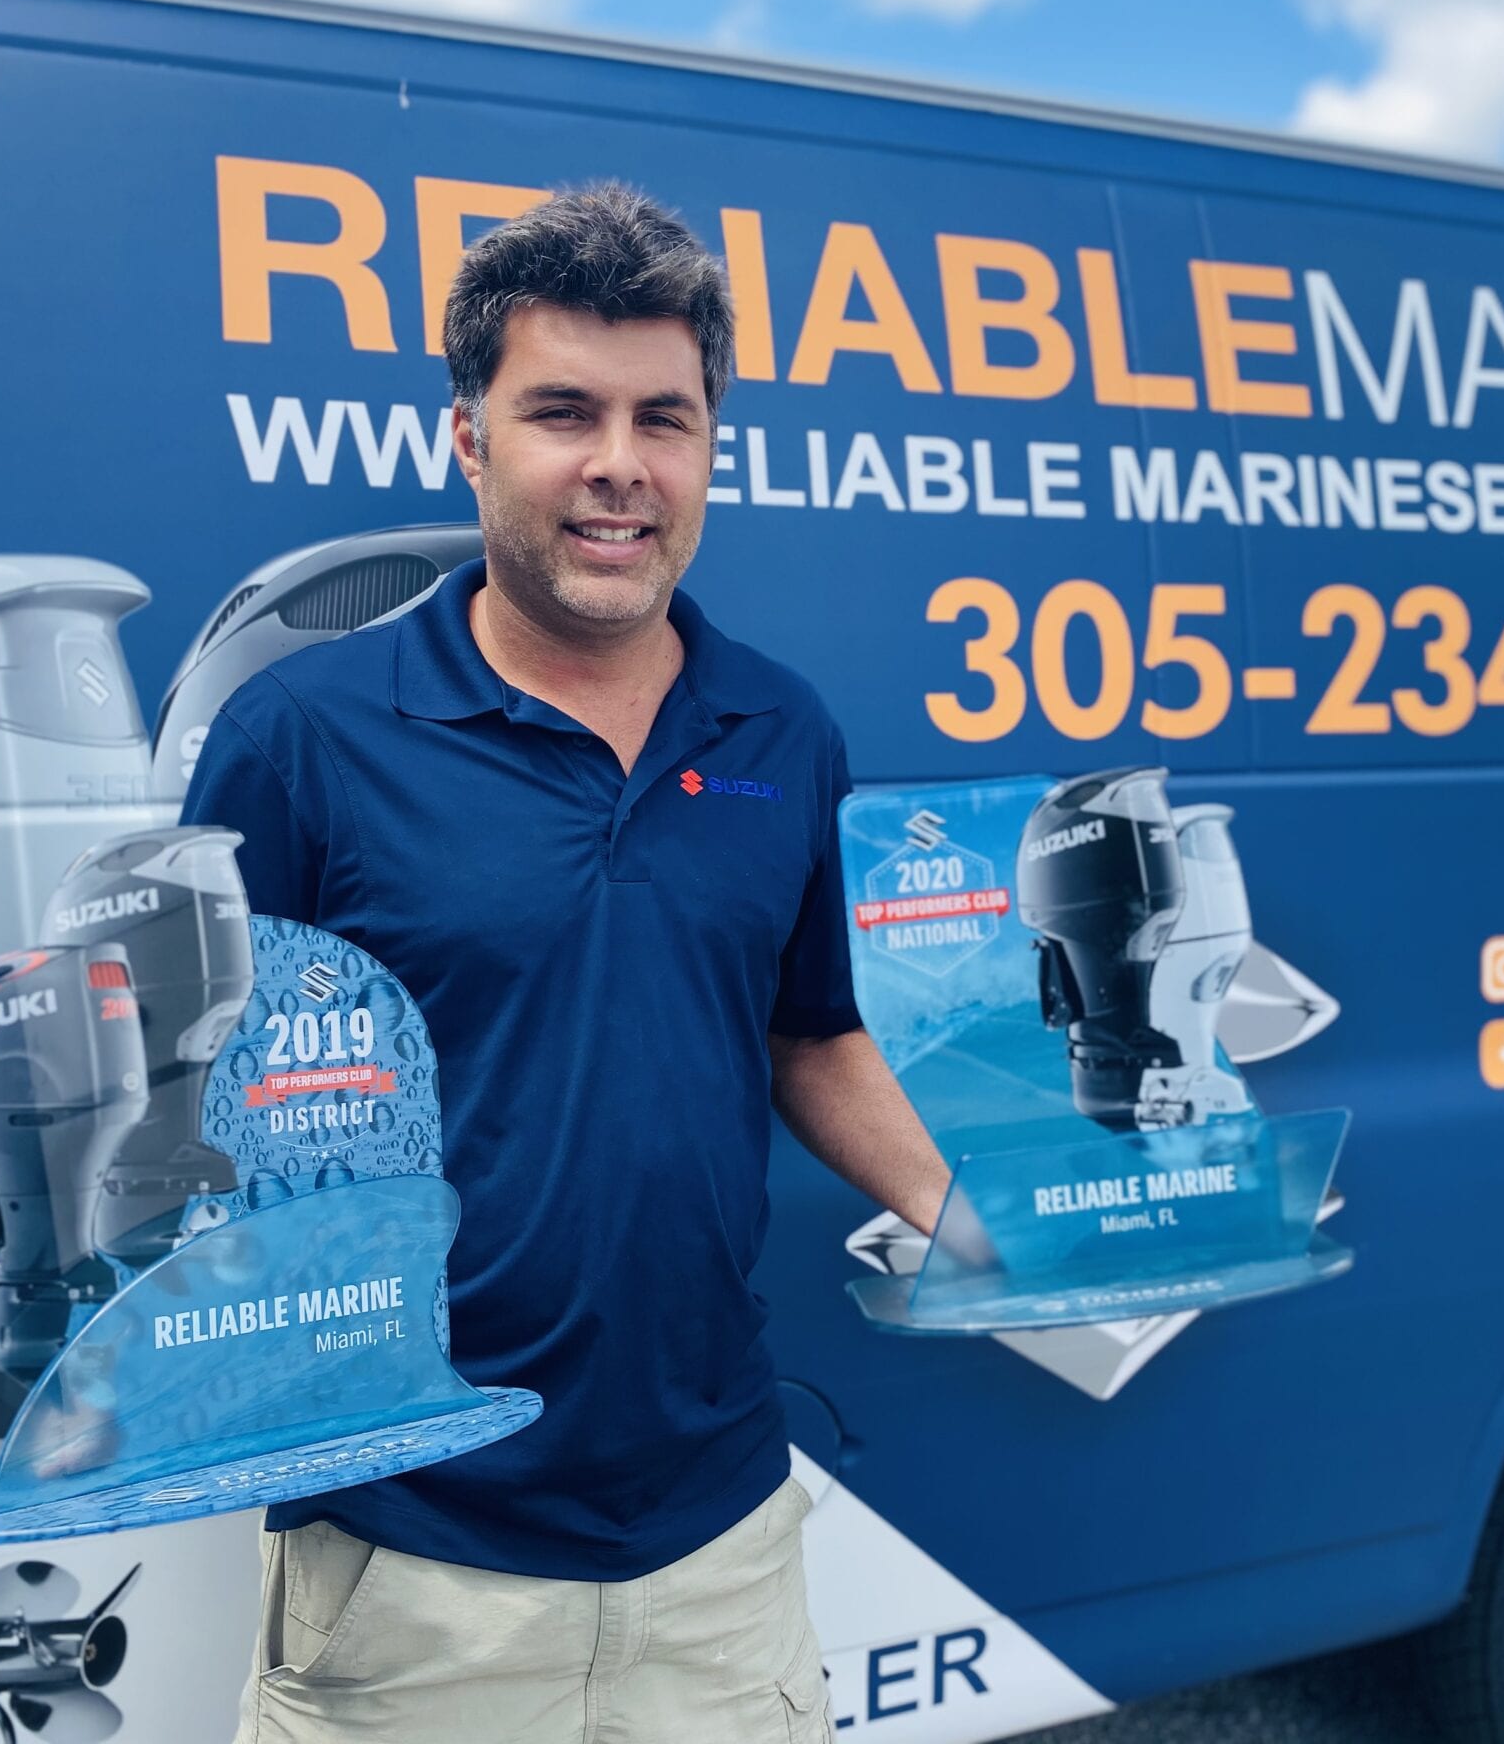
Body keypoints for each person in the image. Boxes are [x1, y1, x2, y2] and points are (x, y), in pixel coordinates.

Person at [186, 181, 953, 1742]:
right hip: (411, 1561)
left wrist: (989, 1211)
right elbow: (196, 1106)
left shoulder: (779, 730)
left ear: (711, 444)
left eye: (664, 419)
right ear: (469, 440)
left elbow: (812, 1036)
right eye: (563, 413)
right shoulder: (306, 738)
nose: (620, 467)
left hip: (720, 1544)